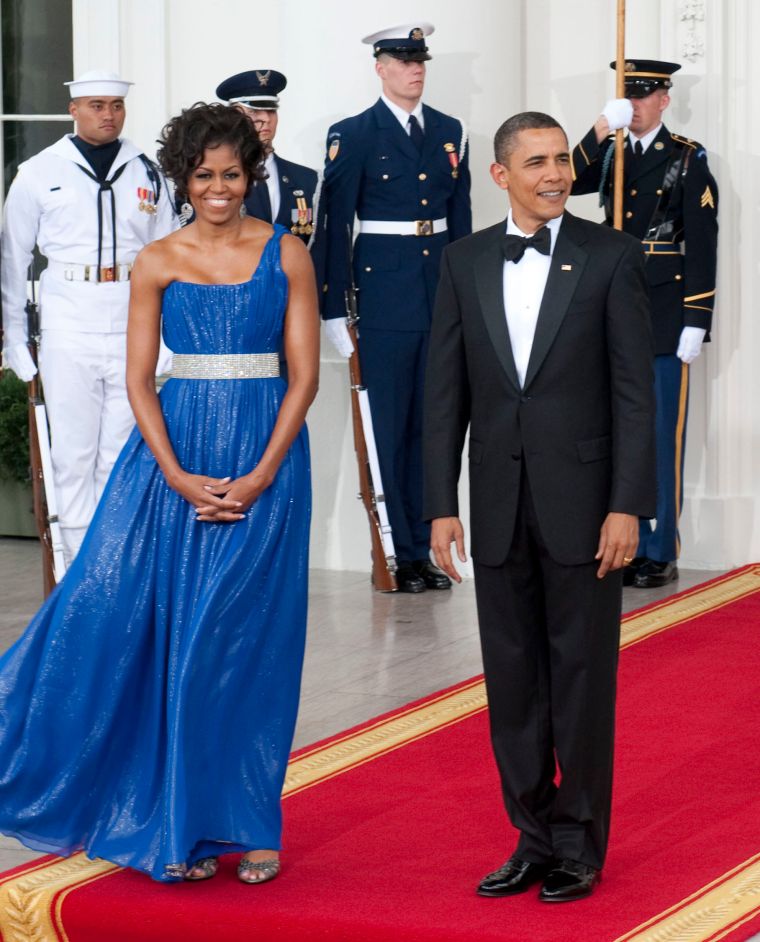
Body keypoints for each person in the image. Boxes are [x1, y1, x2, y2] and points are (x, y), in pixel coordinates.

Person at [0, 103, 319, 884]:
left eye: (232, 174)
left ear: (251, 175)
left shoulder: (288, 255)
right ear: (182, 178)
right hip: (172, 463)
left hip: (267, 464)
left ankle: (250, 822)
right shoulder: (158, 260)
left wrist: (262, 473)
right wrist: (176, 474)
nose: (218, 188)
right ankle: (181, 822)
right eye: (204, 175)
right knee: (170, 640)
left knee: (247, 646)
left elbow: (304, 377)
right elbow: (141, 382)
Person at [424, 112, 656, 902]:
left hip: (587, 508)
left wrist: (628, 506)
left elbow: (635, 395)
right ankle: (531, 836)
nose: (556, 173)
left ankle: (580, 847)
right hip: (494, 505)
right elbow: (443, 392)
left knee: (583, 678)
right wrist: (438, 506)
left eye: (562, 159)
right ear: (501, 175)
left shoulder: (611, 256)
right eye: (537, 162)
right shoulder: (462, 261)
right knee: (514, 681)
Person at [1, 70, 178, 565]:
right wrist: (14, 337)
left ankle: (113, 558)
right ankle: (76, 563)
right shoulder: (39, 171)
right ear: (74, 110)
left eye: (115, 106)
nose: (108, 115)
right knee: (73, 452)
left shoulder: (149, 171)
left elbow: (166, 256)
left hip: (132, 314)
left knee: (121, 449)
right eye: (96, 105)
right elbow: (13, 260)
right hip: (68, 316)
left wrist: (166, 335)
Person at [319, 22, 472, 593]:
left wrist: (468, 294)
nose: (415, 69)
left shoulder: (451, 131)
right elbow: (335, 224)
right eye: (403, 60)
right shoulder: (354, 133)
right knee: (388, 426)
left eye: (420, 60)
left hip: (439, 293)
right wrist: (334, 306)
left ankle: (424, 548)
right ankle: (394, 550)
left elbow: (461, 219)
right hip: (382, 296)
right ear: (379, 67)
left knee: (434, 427)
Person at [571, 59, 719, 588]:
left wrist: (696, 317)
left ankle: (658, 547)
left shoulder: (685, 156)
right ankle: (619, 540)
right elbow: (564, 182)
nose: (633, 104)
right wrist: (596, 129)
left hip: (661, 311)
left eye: (643, 95)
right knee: (607, 428)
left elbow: (702, 240)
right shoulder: (608, 149)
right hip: (606, 303)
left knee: (658, 432)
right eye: (626, 96)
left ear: (664, 99)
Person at [210, 69, 319, 244]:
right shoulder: (212, 177)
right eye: (254, 111)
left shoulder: (307, 180)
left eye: (271, 111)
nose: (266, 119)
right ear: (233, 116)